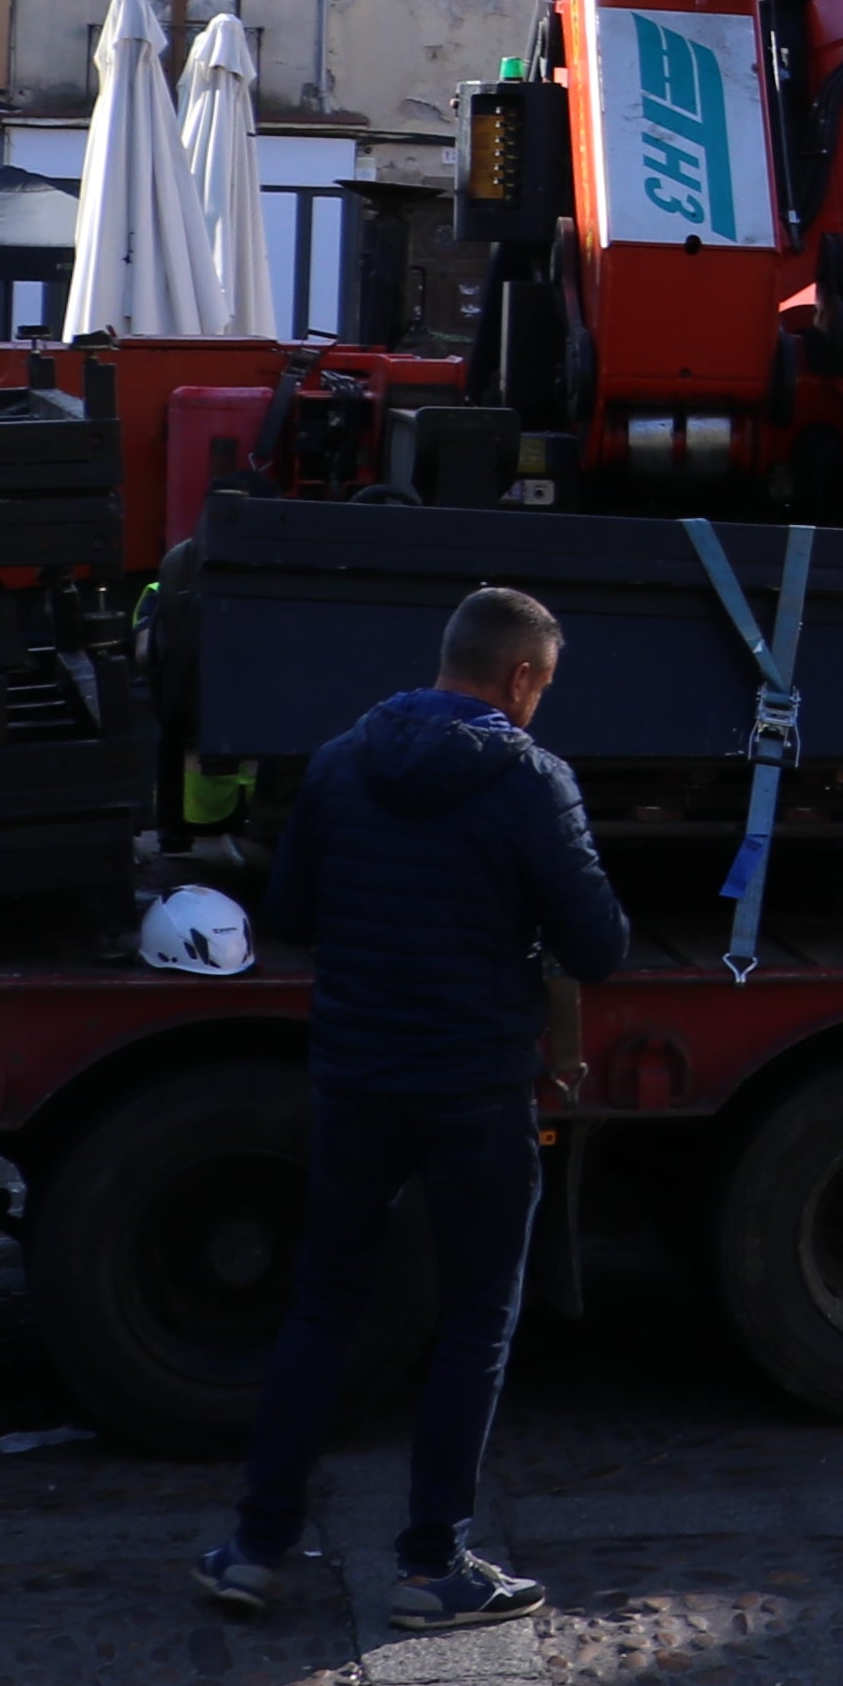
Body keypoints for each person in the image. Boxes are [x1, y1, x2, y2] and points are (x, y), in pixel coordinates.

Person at [196, 584, 625, 1630]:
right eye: (543, 686)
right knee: (475, 1319)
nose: (539, 706)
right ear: (519, 676)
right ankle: (433, 1563)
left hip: (356, 1075)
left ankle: (253, 1546)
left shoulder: (343, 760)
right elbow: (599, 946)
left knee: (323, 1302)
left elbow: (290, 912)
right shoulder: (533, 782)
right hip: (475, 1086)